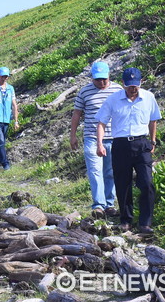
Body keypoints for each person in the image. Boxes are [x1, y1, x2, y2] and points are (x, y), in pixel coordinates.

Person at [95, 67, 162, 234]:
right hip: (121, 144)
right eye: (129, 86)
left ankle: (145, 222)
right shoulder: (113, 99)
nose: (133, 89)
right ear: (123, 83)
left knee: (146, 183)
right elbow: (102, 122)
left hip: (141, 144)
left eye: (136, 85)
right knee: (123, 184)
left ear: (141, 82)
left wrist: (153, 141)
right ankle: (126, 220)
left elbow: (153, 120)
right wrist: (100, 144)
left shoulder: (148, 97)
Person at [70, 61, 123, 219]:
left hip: (114, 138)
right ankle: (98, 205)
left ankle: (109, 204)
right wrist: (73, 135)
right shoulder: (84, 92)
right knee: (95, 171)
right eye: (97, 79)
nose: (101, 82)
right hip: (92, 137)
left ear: (109, 76)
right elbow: (77, 114)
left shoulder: (118, 90)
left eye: (104, 79)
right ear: (92, 78)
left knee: (111, 171)